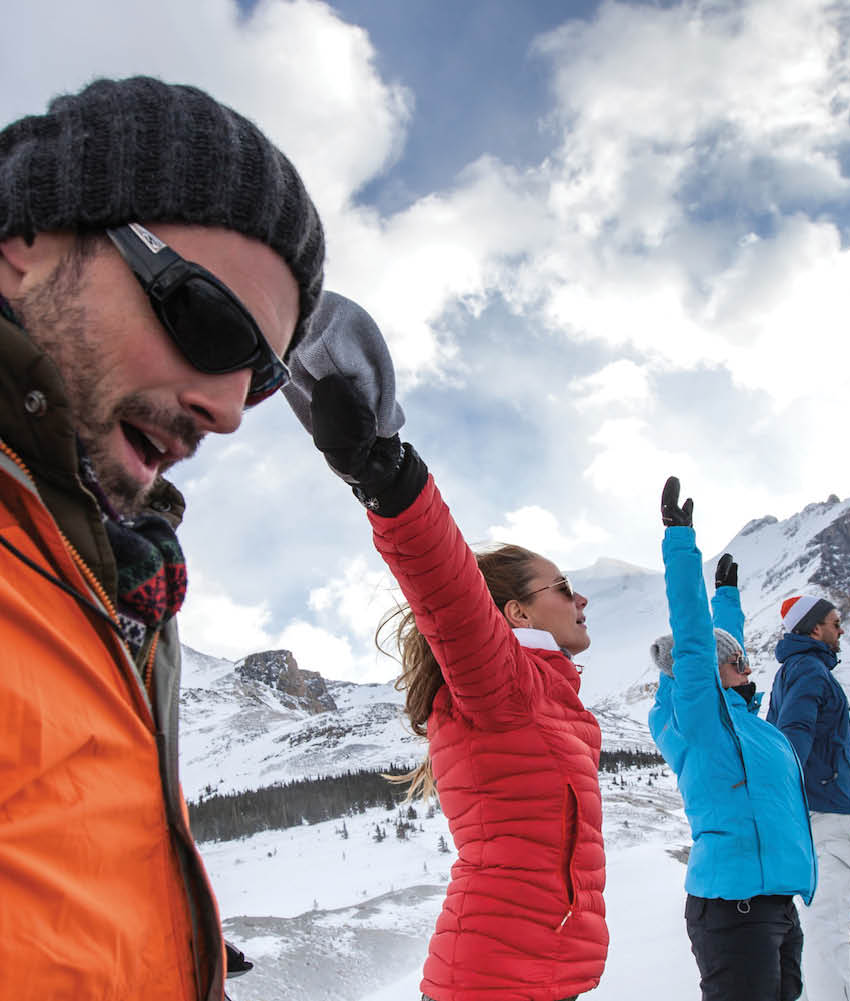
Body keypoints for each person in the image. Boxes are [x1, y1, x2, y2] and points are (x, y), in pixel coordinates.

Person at [0, 77, 323, 999]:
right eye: (209, 320)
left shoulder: (123, 586)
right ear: (31, 239)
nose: (226, 412)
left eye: (259, 381)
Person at [286, 292, 607, 1001]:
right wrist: (389, 479)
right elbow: (451, 592)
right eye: (564, 586)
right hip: (493, 982)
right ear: (517, 609)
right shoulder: (505, 679)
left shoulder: (551, 695)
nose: (581, 599)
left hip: (543, 979)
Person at [651, 476, 816, 1001]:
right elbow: (699, 646)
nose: (749, 665)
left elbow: (721, 645)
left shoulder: (743, 721)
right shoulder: (700, 719)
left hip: (774, 903)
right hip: (735, 908)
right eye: (738, 663)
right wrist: (681, 546)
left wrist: (728, 598)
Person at [767, 592, 850, 1001]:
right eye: (835, 622)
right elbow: (794, 736)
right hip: (826, 814)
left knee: (812, 927)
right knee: (829, 927)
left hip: (810, 812)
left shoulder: (794, 669)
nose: (841, 630)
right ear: (814, 628)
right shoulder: (810, 670)